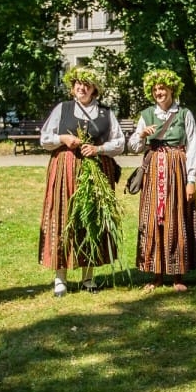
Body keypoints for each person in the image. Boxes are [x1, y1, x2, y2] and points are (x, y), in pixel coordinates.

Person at [38, 66, 125, 296]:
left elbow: (119, 142)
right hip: (65, 170)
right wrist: (63, 138)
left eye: (86, 84)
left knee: (91, 218)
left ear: (94, 88)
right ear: (72, 87)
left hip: (96, 168)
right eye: (78, 83)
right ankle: (60, 278)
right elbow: (45, 139)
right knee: (64, 216)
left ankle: (88, 277)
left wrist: (99, 149)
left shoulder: (106, 113)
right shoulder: (63, 109)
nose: (81, 87)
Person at [128, 68, 196, 291]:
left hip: (176, 169)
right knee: (153, 219)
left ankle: (178, 275)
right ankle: (156, 273)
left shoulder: (184, 114)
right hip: (153, 172)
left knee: (176, 216)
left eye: (163, 88)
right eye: (156, 89)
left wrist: (190, 180)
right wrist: (141, 134)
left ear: (172, 89)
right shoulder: (146, 114)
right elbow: (133, 146)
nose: (159, 92)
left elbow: (193, 146)